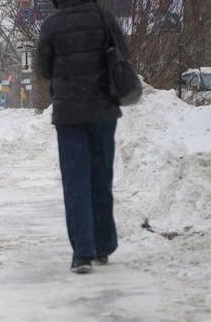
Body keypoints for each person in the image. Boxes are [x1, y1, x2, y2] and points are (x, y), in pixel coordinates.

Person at [37, 0, 128, 274]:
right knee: (101, 176)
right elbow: (122, 53)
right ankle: (104, 245)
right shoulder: (103, 17)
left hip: (69, 115)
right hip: (103, 109)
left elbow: (43, 69)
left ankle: (82, 253)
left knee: (76, 181)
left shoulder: (52, 25)